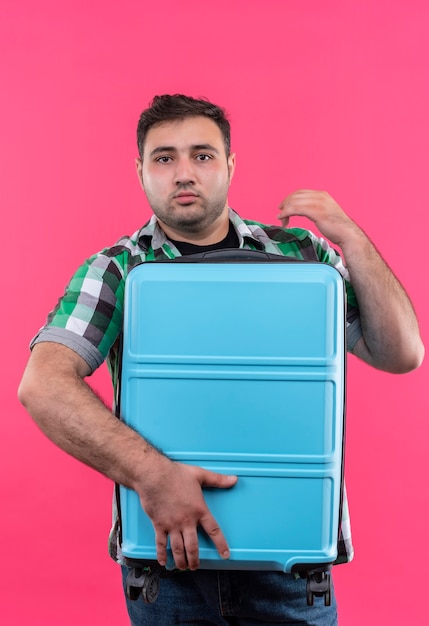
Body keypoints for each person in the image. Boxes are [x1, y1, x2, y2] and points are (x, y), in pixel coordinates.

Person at [18, 94, 424, 626]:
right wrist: (153, 476)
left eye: (202, 156)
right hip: (169, 574)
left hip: (292, 576)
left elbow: (402, 353)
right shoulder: (117, 269)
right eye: (164, 158)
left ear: (230, 166)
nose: (184, 173)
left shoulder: (301, 255)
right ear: (140, 171)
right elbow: (42, 384)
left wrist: (351, 239)